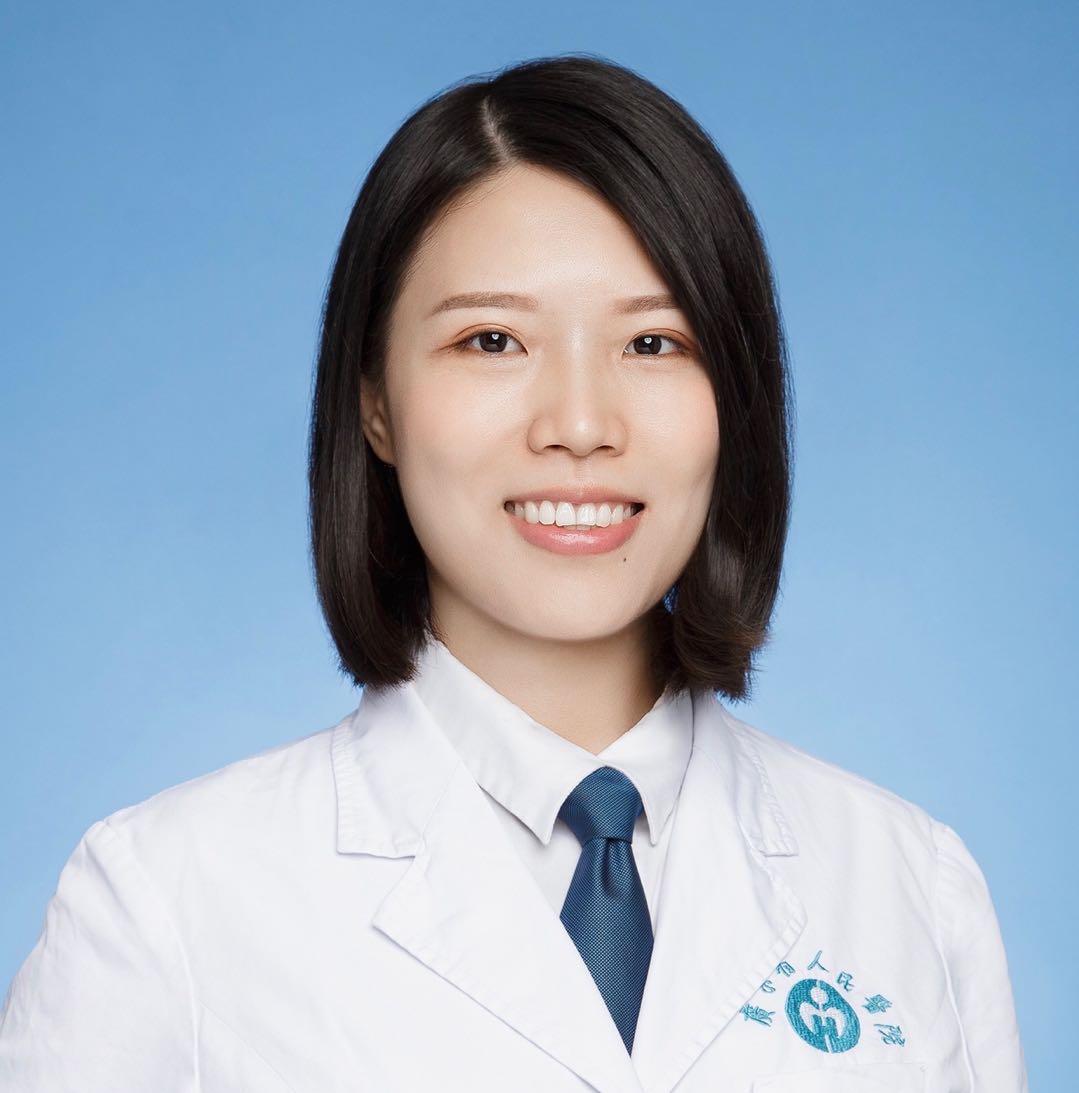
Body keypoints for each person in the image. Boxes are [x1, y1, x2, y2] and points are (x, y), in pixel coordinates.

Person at [0, 54, 1026, 1092]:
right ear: (375, 402)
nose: (578, 424)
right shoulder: (165, 904)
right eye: (492, 340)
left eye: (653, 342)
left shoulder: (910, 885)